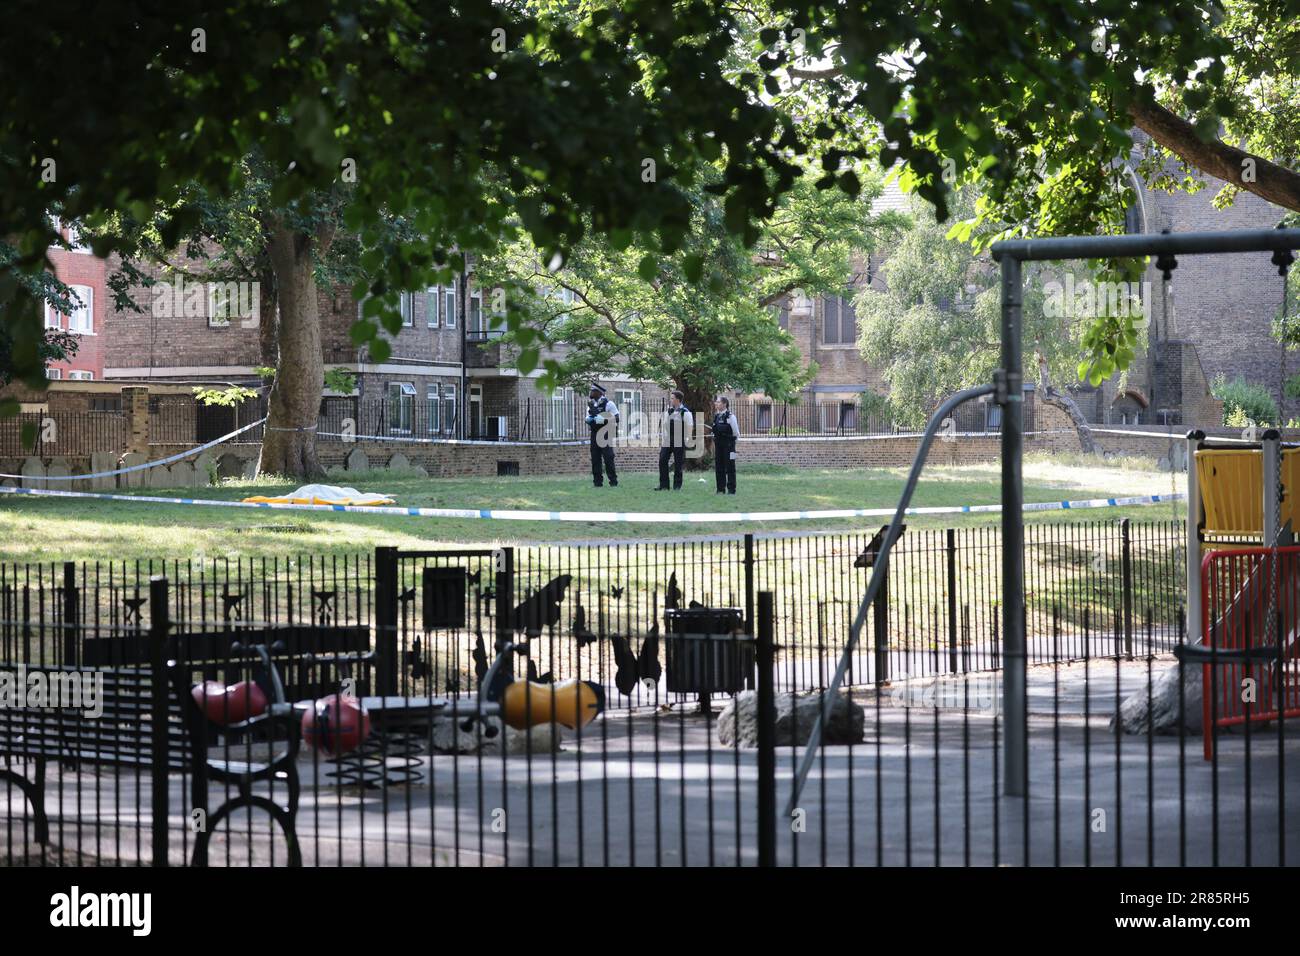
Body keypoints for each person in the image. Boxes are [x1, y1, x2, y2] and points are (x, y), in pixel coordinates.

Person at [656, 390, 693, 491]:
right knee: (662, 460)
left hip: (679, 440)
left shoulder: (685, 412)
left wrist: (687, 439)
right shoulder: (669, 411)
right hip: (668, 440)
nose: (670, 400)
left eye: (672, 398)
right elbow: (666, 425)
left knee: (678, 463)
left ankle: (677, 486)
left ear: (678, 400)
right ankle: (664, 485)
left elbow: (690, 427)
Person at [585, 383, 619, 487]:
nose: (591, 393)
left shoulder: (609, 404)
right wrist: (590, 419)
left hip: (606, 433)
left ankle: (613, 482)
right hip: (594, 434)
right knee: (595, 459)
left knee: (608, 458)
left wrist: (602, 419)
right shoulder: (591, 405)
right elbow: (588, 419)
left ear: (599, 392)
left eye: (593, 391)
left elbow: (617, 418)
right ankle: (597, 483)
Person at [708, 395, 740, 494]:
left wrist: (732, 443)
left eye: (718, 402)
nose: (716, 404)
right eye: (716, 402)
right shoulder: (717, 416)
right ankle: (720, 489)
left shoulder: (730, 416)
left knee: (730, 467)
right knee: (719, 467)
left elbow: (736, 432)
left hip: (729, 446)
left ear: (724, 404)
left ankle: (731, 490)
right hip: (719, 445)